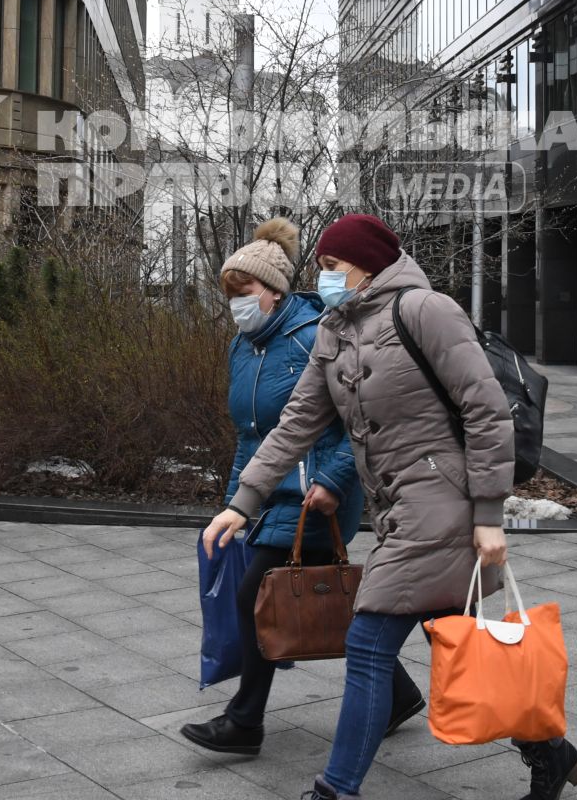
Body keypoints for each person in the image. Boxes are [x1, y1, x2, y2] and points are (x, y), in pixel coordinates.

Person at [201, 213, 577, 800]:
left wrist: (488, 516)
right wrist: (242, 503)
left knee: (369, 641)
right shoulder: (334, 329)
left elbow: (485, 412)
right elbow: (297, 422)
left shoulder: (425, 310)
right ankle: (551, 753)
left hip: (441, 507)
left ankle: (336, 789)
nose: (324, 279)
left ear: (364, 263)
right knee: (458, 640)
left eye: (331, 268)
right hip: (396, 510)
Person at [183, 218, 427, 756]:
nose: (236, 305)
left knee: (261, 595)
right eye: (228, 295)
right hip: (273, 495)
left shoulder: (314, 332)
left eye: (243, 293)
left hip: (318, 493)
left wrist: (335, 480)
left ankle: (246, 722)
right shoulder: (241, 349)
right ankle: (399, 693)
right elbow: (251, 438)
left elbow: (348, 420)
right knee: (321, 599)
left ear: (272, 291)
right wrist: (236, 506)